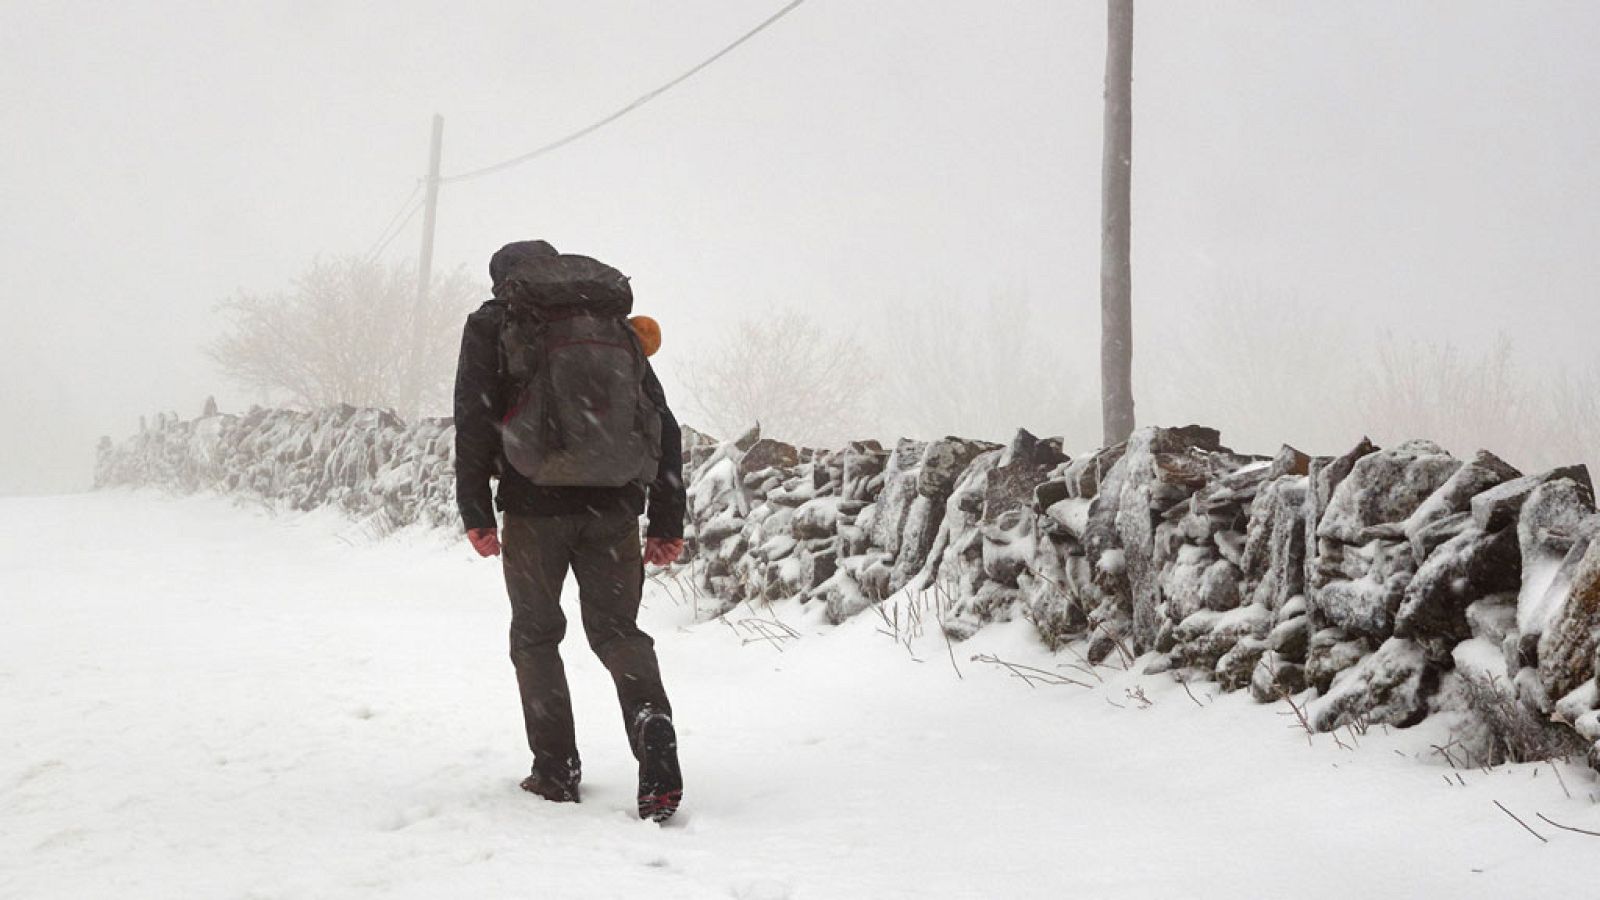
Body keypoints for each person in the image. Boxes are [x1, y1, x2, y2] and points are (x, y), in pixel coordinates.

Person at [453, 239, 687, 822]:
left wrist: (476, 510)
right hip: (613, 505)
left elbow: (474, 417)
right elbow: (664, 425)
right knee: (616, 631)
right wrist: (665, 519)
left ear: (503, 281)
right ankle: (650, 720)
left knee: (535, 637)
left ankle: (556, 770)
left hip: (535, 508)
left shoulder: (497, 323)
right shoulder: (609, 323)